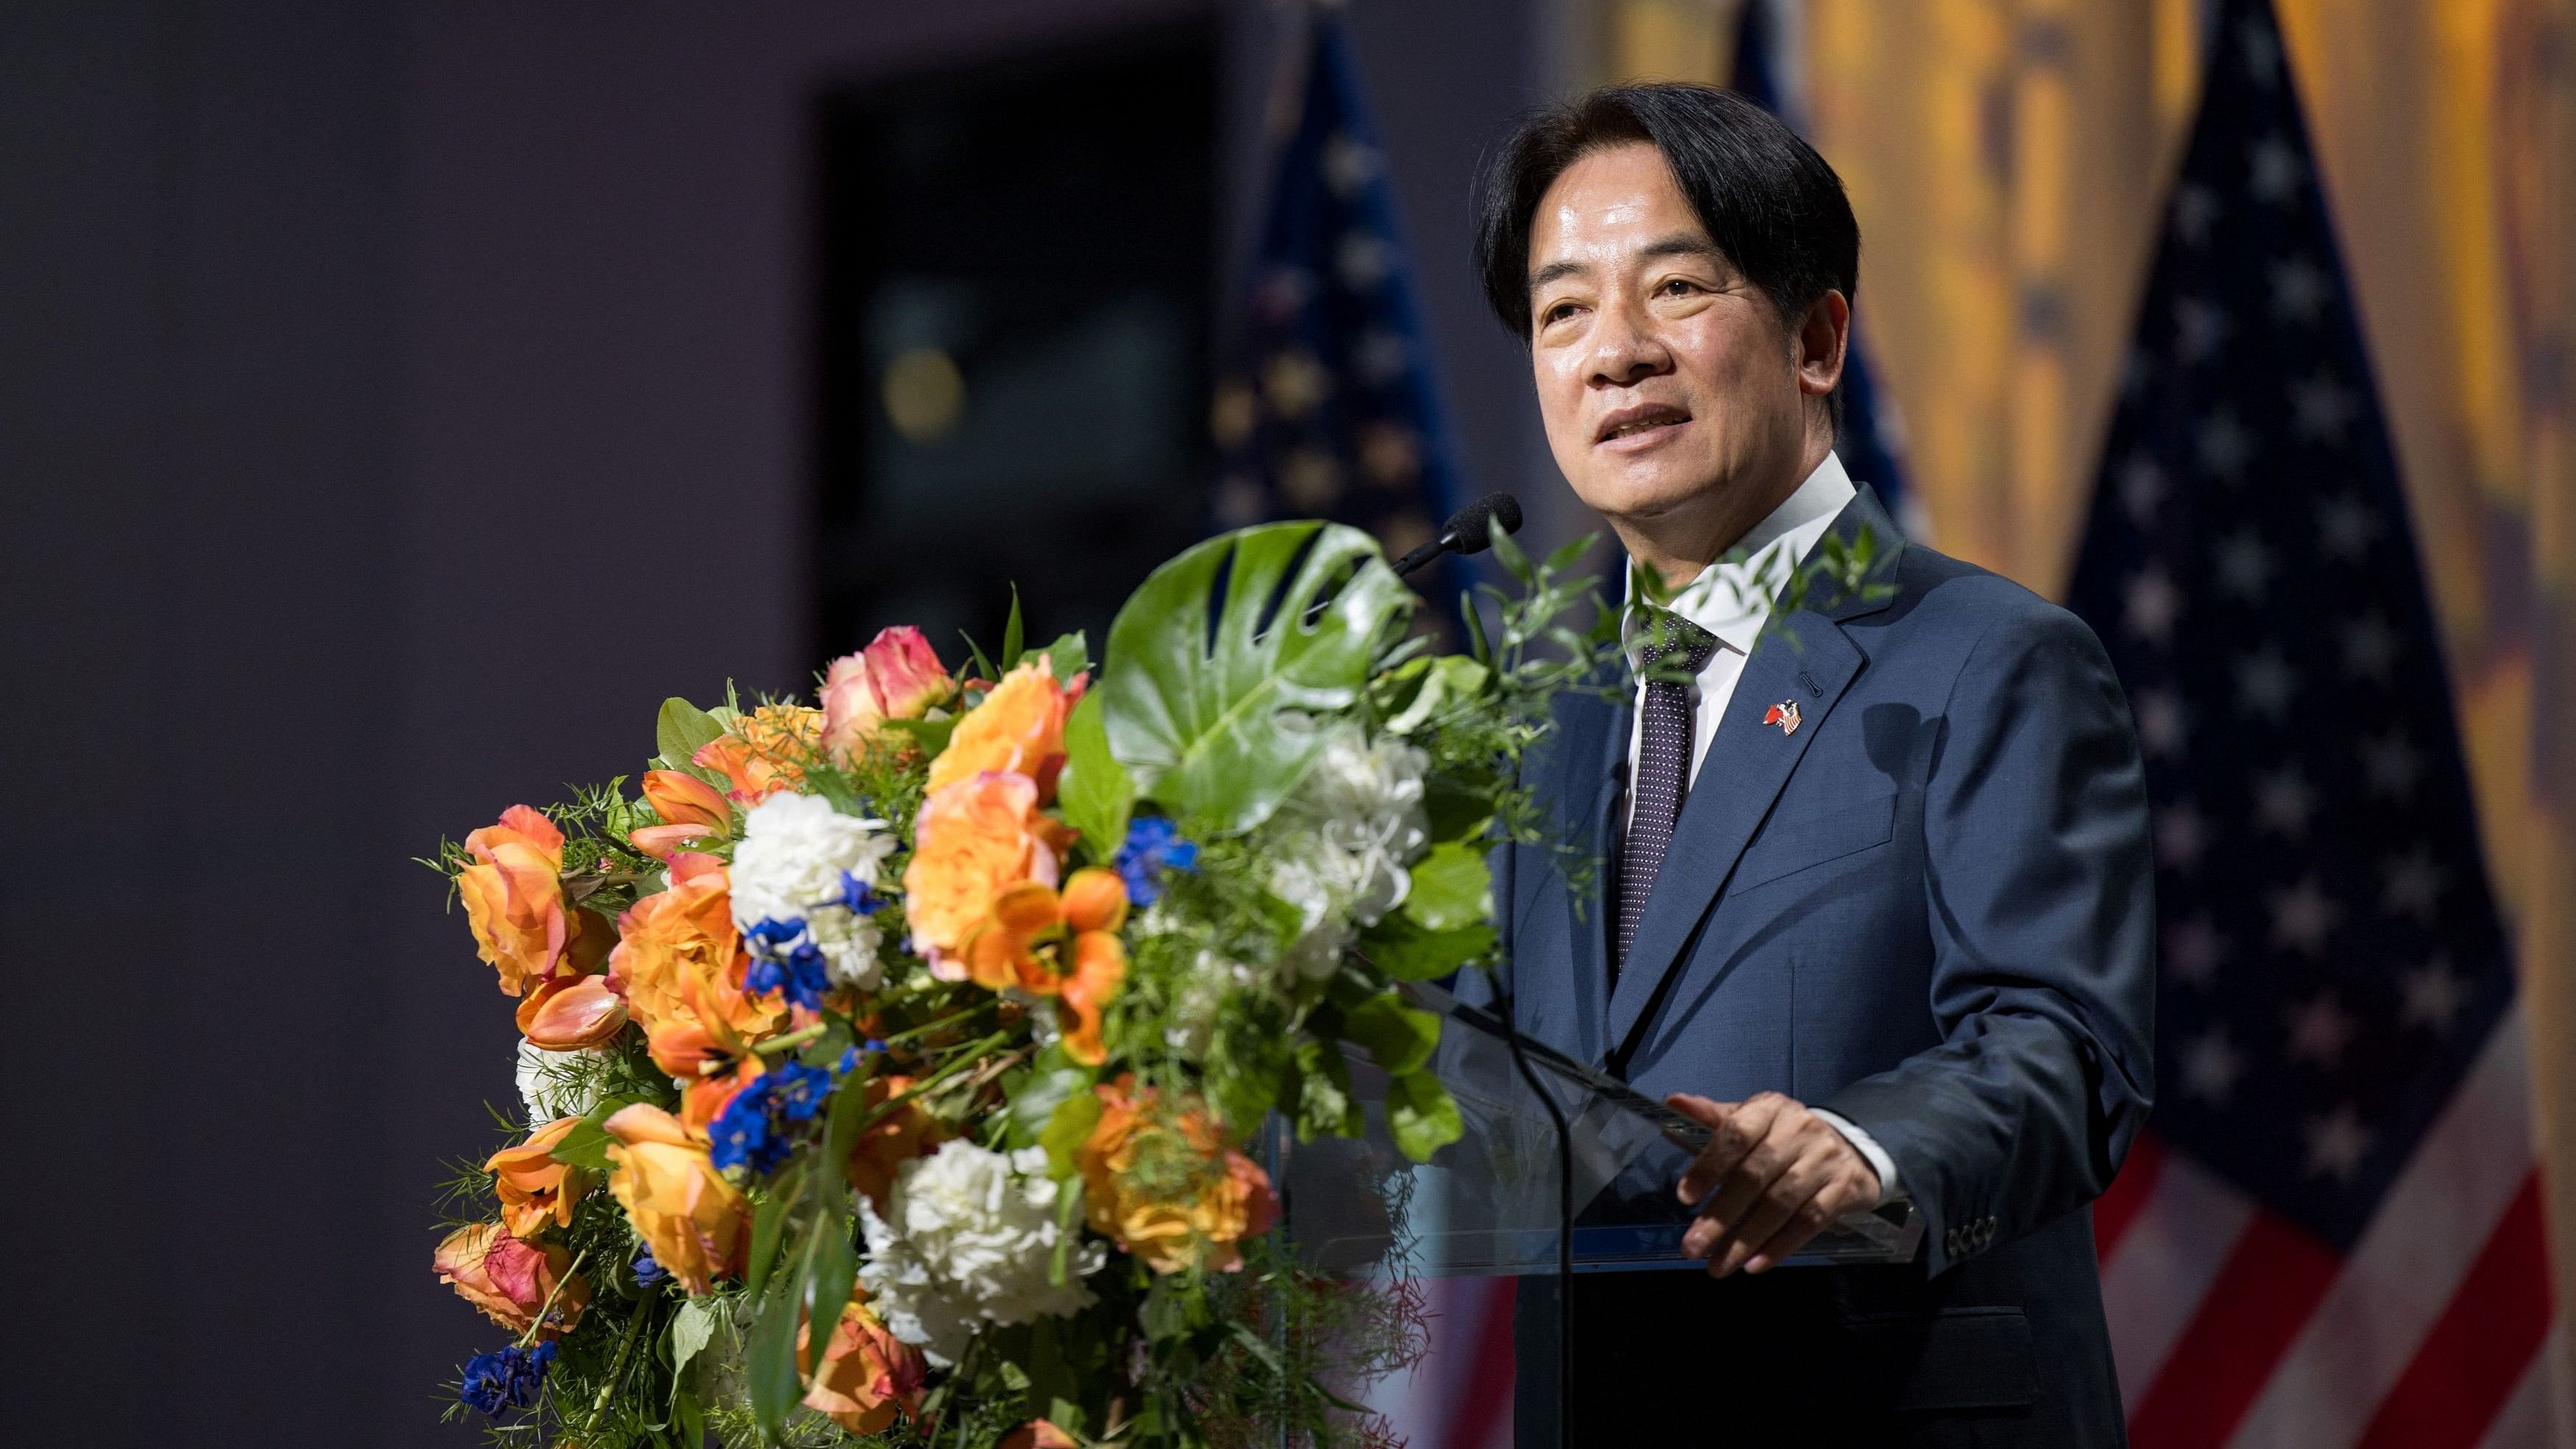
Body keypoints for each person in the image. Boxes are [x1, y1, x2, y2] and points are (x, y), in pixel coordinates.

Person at [1464, 85, 2154, 1445]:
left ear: (1818, 335)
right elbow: (1468, 1096)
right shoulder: (1527, 729)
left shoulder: (1987, 658)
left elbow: (2066, 1045)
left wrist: (1863, 1143)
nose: (1616, 353)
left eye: (1675, 289)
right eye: (1564, 312)